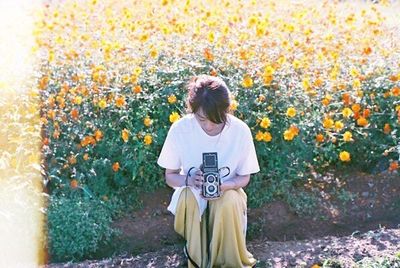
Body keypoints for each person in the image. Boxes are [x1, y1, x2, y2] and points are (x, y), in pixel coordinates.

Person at [157, 74, 260, 268]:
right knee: (189, 197)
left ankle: (229, 262)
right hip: (191, 196)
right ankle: (197, 259)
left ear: (227, 110)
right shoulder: (180, 129)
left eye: (217, 119)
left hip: (228, 194)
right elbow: (170, 176)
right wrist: (189, 180)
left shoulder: (240, 130)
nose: (210, 126)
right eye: (202, 119)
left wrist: (225, 185)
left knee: (228, 200)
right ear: (192, 110)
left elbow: (245, 177)